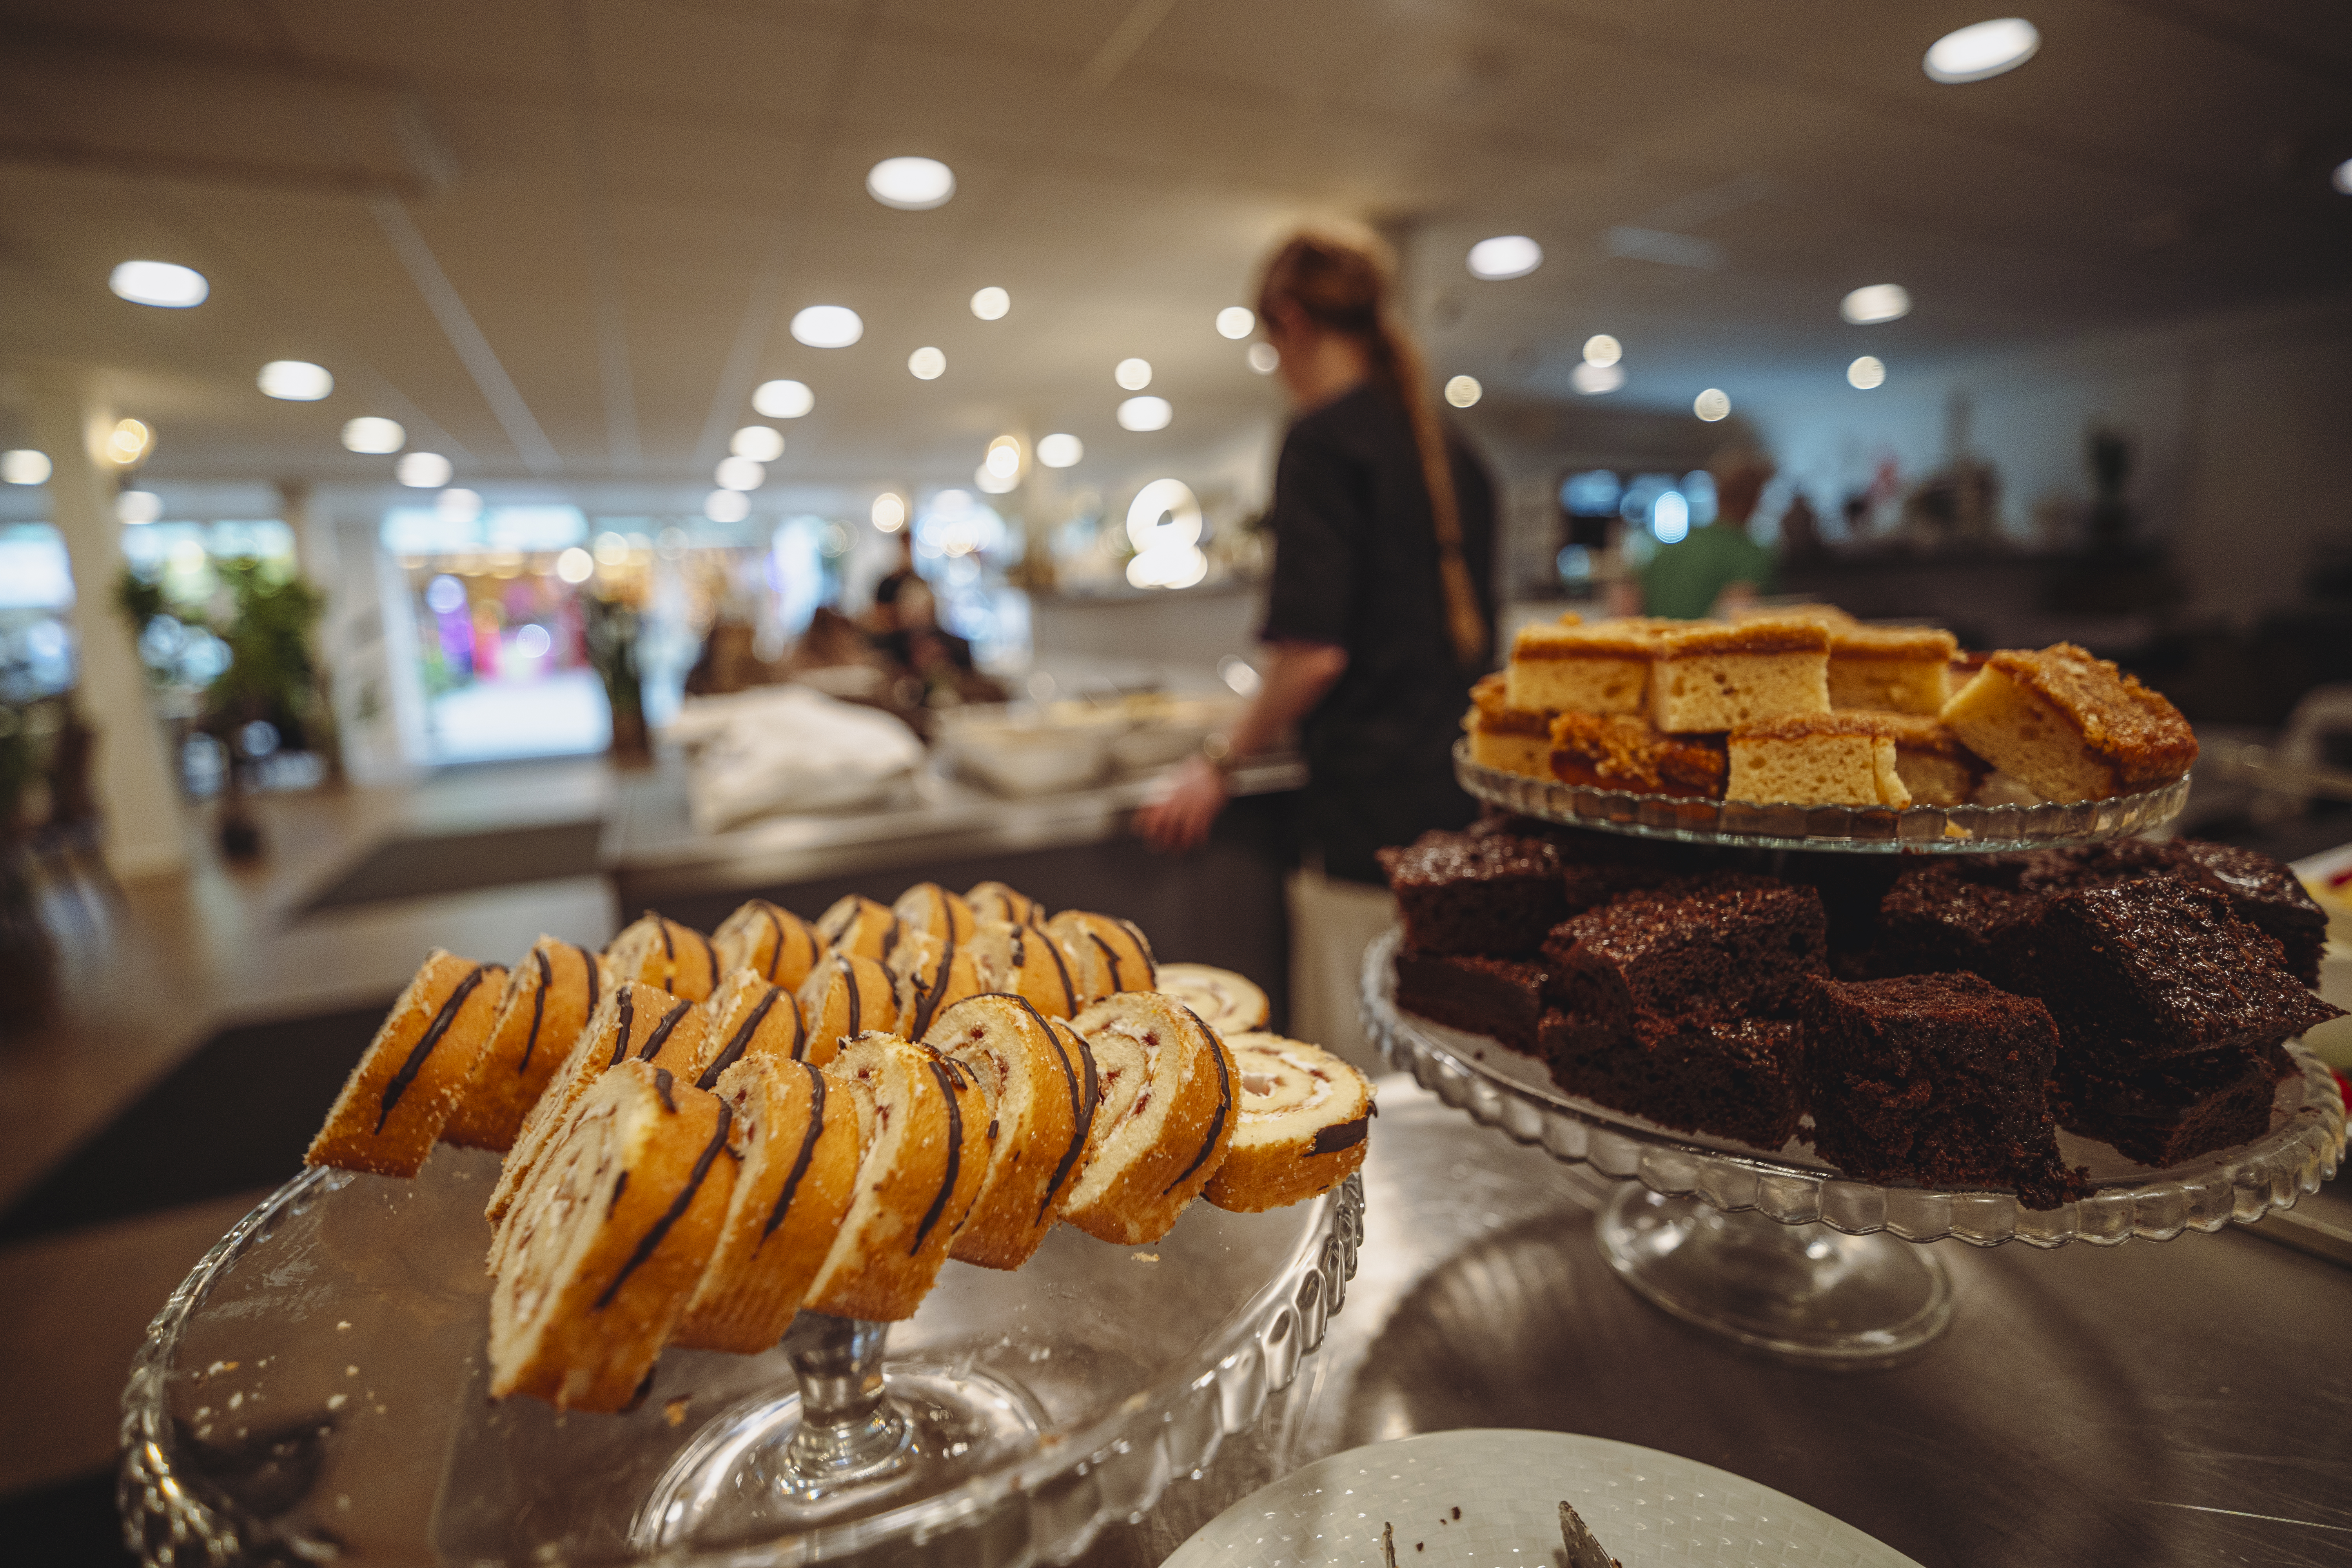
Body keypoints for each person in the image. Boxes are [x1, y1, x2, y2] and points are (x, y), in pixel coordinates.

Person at [1135, 229, 1497, 1059]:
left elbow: (1313, 653)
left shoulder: (1322, 441)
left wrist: (1217, 763)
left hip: (1365, 831)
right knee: (1455, 1064)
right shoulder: (1457, 453)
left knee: (1363, 1072)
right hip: (1461, 819)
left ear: (1288, 320)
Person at [1613, 448, 1778, 620]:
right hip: (1704, 646)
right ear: (1755, 499)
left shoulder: (1673, 547)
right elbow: (1735, 623)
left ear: (1718, 494)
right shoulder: (1749, 555)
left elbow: (1627, 605)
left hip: (1658, 644)